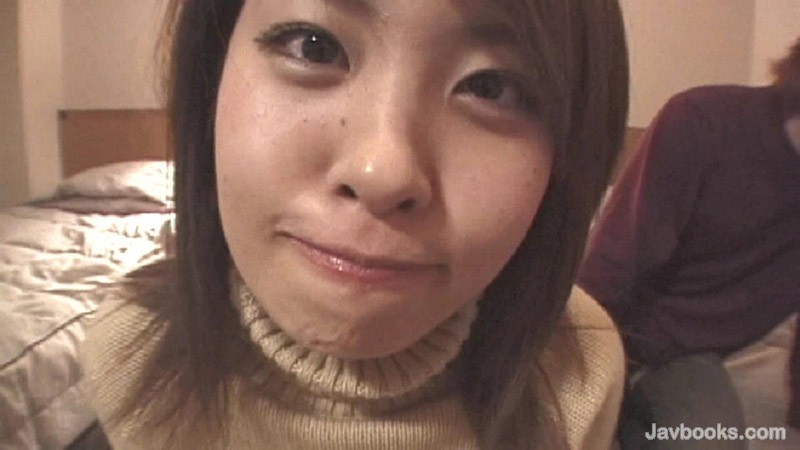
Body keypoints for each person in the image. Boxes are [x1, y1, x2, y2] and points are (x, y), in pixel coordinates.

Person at [80, 0, 629, 448]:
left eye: (490, 87)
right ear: (212, 71)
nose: (382, 173)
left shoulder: (575, 375)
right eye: (313, 46)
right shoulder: (131, 354)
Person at [578, 37, 800, 449]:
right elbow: (614, 261)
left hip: (686, 358)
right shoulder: (703, 120)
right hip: (609, 326)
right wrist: (572, 363)